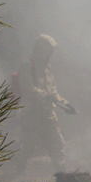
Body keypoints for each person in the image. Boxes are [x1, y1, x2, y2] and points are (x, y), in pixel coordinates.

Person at [14, 34, 74, 173]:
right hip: (31, 114)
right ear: (41, 49)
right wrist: (45, 96)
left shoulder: (47, 67)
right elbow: (28, 88)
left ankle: (61, 171)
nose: (51, 53)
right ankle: (19, 166)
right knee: (29, 147)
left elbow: (53, 91)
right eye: (49, 50)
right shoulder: (27, 65)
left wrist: (66, 104)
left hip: (47, 113)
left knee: (57, 143)